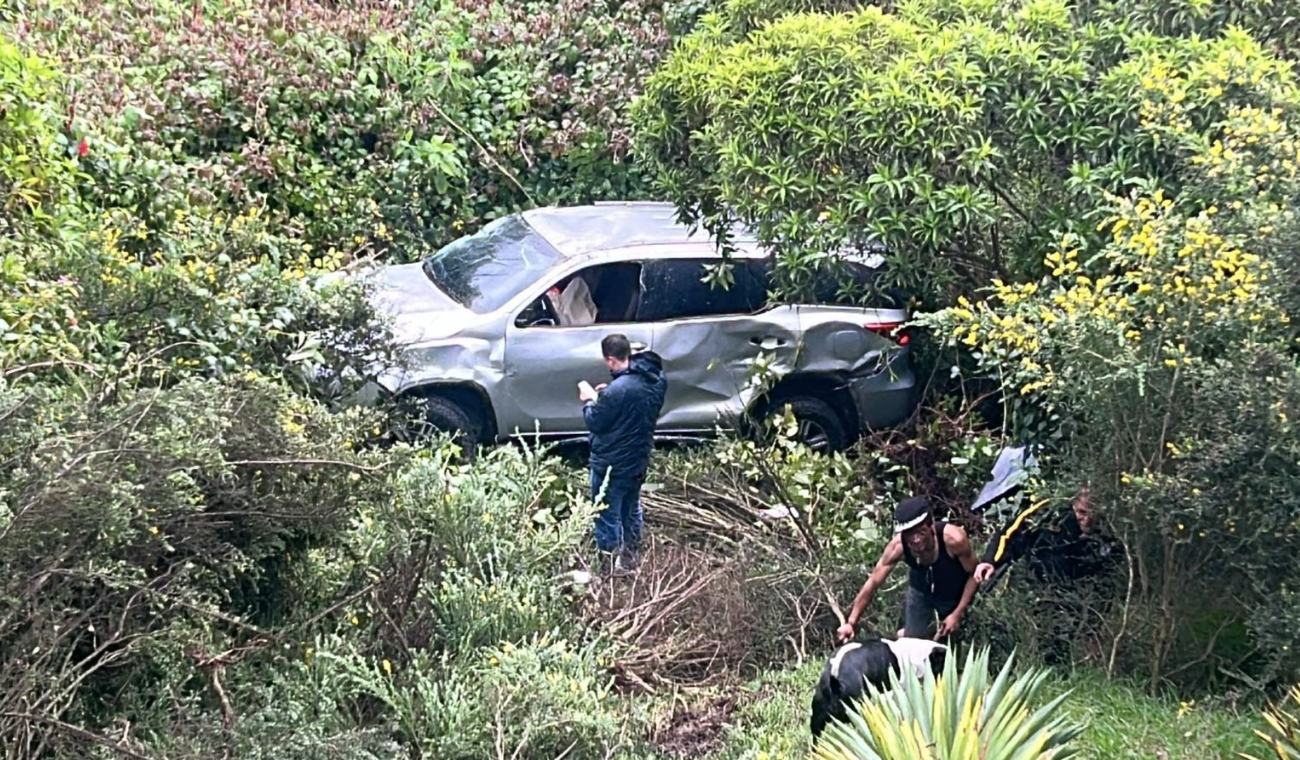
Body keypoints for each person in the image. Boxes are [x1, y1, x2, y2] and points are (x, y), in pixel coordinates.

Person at [836, 496, 980, 643]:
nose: (916, 539)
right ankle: (907, 635)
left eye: (921, 532)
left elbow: (974, 575)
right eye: (910, 534)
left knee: (951, 643)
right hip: (920, 589)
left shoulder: (953, 540)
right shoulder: (898, 546)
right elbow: (873, 582)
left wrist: (957, 613)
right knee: (913, 642)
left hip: (952, 591)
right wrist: (851, 622)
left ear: (931, 525)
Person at [579, 334, 667, 573]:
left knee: (606, 515)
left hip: (611, 465)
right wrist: (610, 393)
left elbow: (595, 421)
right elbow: (632, 400)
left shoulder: (618, 391)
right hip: (638, 460)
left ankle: (607, 570)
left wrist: (589, 400)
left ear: (609, 359)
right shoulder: (657, 379)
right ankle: (630, 562)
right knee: (631, 509)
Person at [973, 485, 1118, 586]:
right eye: (1081, 512)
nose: (1086, 519)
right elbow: (1009, 533)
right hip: (1037, 586)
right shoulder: (1050, 512)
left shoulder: (1112, 529)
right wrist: (990, 561)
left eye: (1093, 513)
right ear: (1073, 503)